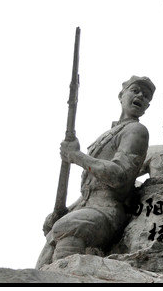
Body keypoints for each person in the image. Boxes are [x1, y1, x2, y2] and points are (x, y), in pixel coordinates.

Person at [36, 76, 155, 268]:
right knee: (45, 254)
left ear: (147, 106)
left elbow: (119, 176)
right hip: (85, 207)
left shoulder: (136, 130)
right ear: (121, 95)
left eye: (147, 96)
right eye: (135, 90)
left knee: (69, 226)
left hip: (107, 210)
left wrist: (77, 156)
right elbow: (90, 189)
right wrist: (63, 210)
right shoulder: (110, 133)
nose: (141, 96)